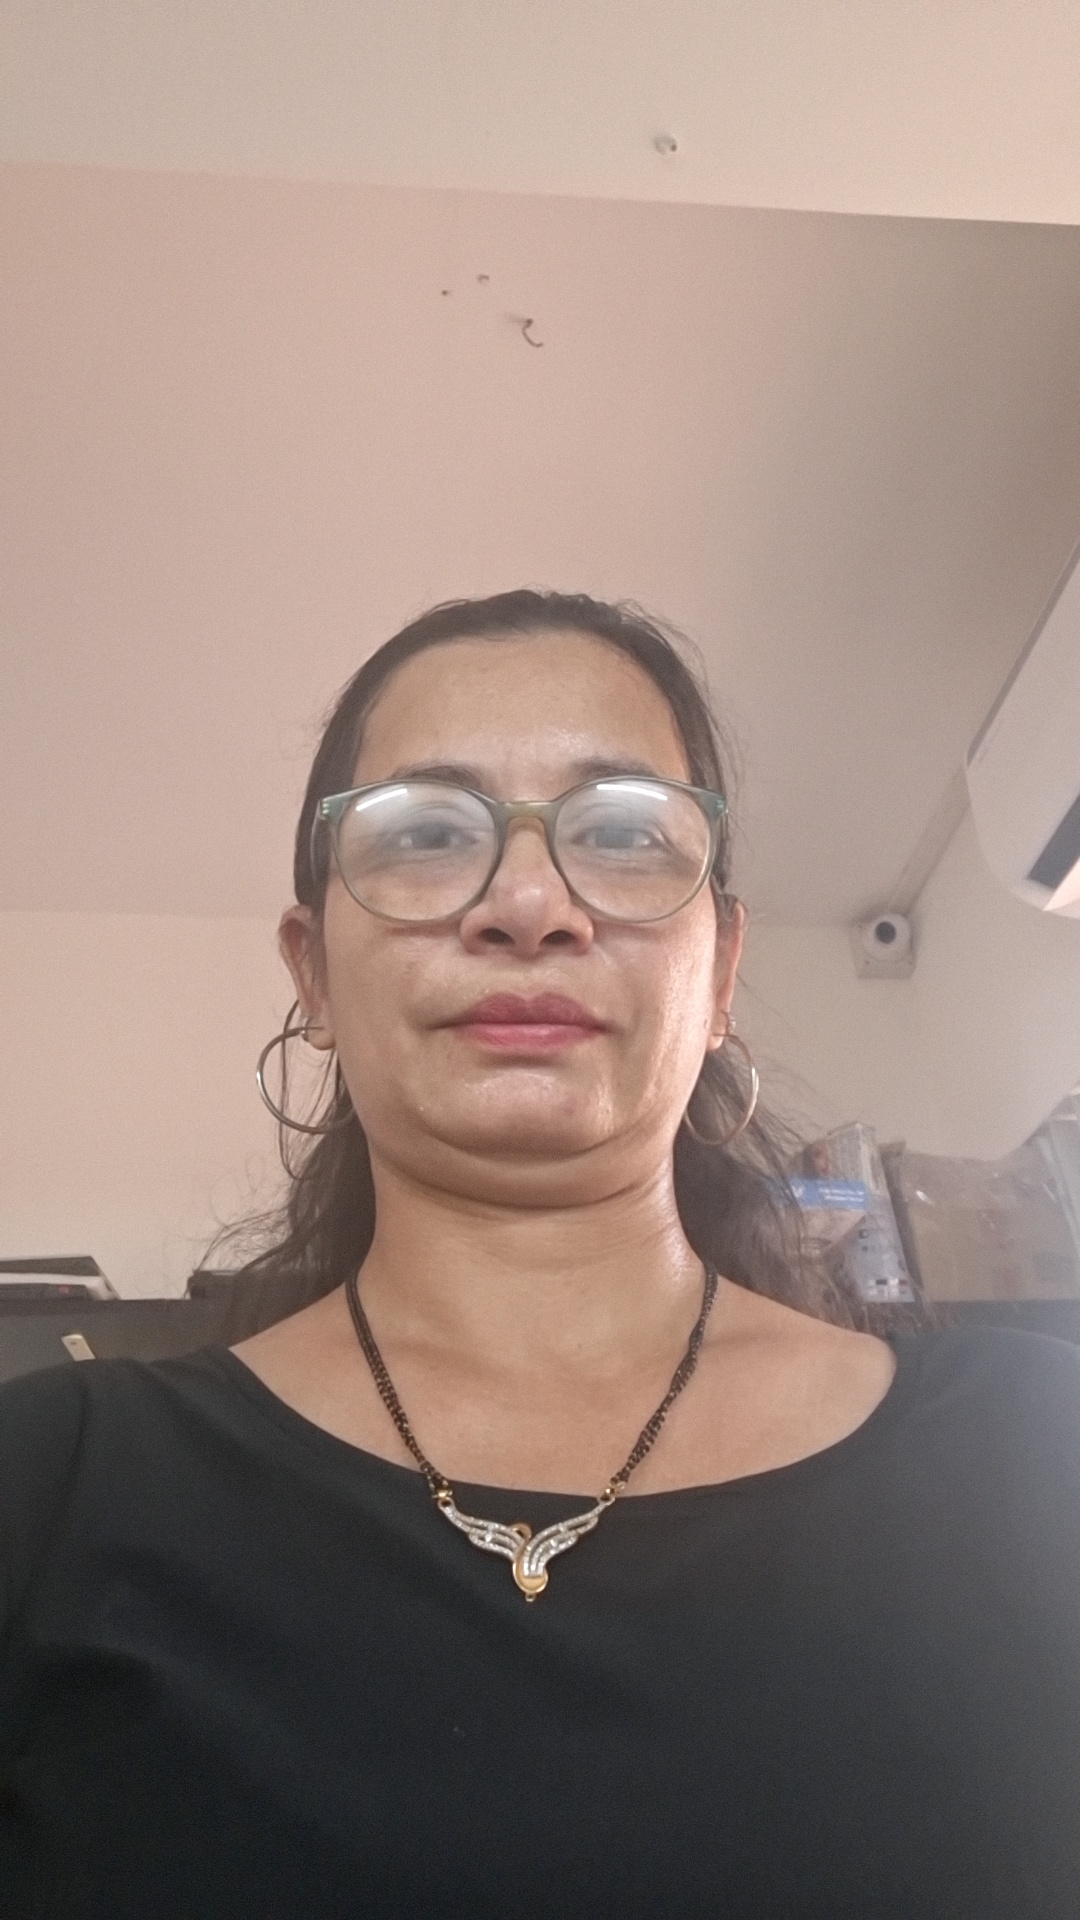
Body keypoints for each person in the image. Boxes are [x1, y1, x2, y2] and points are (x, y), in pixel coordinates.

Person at [2, 590, 1079, 1919]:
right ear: (313, 972)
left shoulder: (1046, 1449)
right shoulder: (45, 1483)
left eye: (621, 832)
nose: (527, 905)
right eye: (425, 832)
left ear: (720, 970)